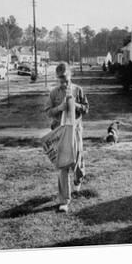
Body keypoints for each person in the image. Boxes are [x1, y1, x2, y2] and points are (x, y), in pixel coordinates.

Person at [45, 62, 89, 212]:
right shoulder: (54, 93)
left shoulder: (78, 90)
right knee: (63, 165)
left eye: (65, 78)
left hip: (75, 130)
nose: (63, 82)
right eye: (59, 79)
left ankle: (79, 177)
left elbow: (86, 108)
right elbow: (48, 112)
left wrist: (74, 104)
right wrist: (60, 107)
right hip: (60, 132)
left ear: (70, 75)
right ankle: (64, 200)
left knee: (77, 160)